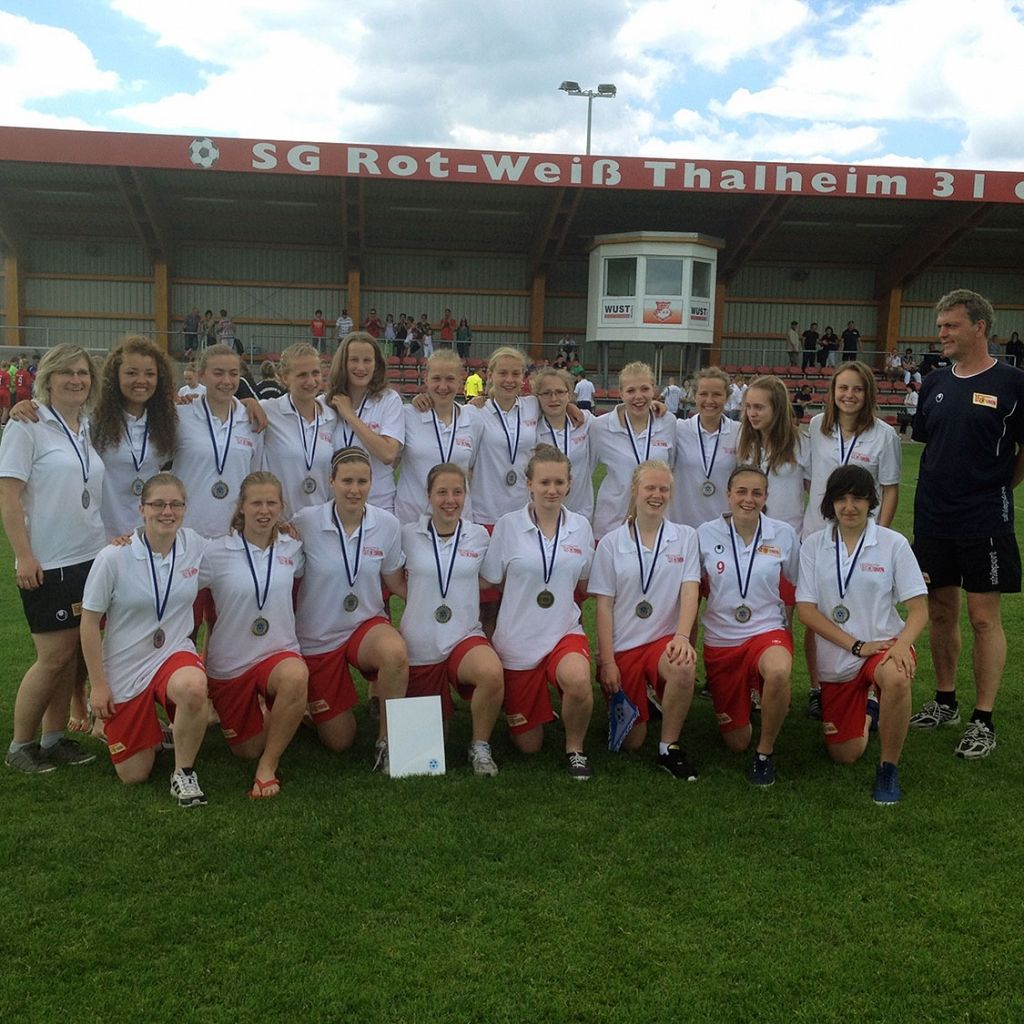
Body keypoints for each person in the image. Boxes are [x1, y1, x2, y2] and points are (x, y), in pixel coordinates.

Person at [909, 288, 1024, 759]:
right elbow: (928, 445)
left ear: (979, 326)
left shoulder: (1014, 383)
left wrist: (993, 489)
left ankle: (983, 718)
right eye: (940, 327)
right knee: (939, 610)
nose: (942, 335)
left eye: (950, 326)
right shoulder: (934, 381)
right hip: (934, 516)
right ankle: (944, 700)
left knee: (982, 617)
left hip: (984, 518)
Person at [0, 345, 105, 773]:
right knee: (53, 656)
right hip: (49, 560)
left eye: (82, 373)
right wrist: (24, 555)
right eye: (66, 373)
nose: (76, 380)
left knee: (74, 656)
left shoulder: (86, 426)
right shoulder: (27, 425)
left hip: (89, 556)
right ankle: (20, 745)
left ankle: (55, 737)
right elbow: (8, 494)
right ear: (48, 378)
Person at [797, 466, 928, 804]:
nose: (849, 506)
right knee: (845, 753)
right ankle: (870, 707)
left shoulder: (892, 543)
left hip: (884, 646)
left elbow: (919, 609)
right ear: (830, 503)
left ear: (871, 500)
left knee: (897, 677)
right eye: (841, 498)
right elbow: (807, 612)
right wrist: (856, 646)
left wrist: (901, 646)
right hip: (840, 655)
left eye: (857, 498)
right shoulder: (814, 545)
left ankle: (888, 768)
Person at [79, 473, 210, 805]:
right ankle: (149, 731)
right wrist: (98, 686)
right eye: (158, 504)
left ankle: (184, 773)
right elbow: (90, 622)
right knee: (134, 774)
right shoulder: (113, 557)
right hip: (125, 666)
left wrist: (280, 531)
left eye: (176, 504)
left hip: (172, 653)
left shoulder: (194, 544)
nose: (167, 511)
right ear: (142, 509)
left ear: (184, 508)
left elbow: (242, 547)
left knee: (194, 687)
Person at [481, 444, 595, 779]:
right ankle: (532, 708)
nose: (552, 490)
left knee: (577, 679)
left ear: (569, 484)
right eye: (544, 482)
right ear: (529, 484)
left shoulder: (581, 527)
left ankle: (575, 748)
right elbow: (492, 580)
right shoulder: (507, 526)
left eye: (559, 482)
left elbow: (585, 581)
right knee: (528, 746)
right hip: (517, 642)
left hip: (563, 631)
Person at [291, 447, 408, 770]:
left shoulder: (387, 524)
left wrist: (436, 601)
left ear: (372, 484)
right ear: (331, 482)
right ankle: (311, 709)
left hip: (364, 626)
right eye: (347, 481)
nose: (354, 489)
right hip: (318, 638)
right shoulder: (305, 522)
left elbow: (395, 581)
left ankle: (387, 740)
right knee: (340, 741)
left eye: (362, 481)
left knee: (395, 652)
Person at [199, 472, 308, 798]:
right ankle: (273, 713)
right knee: (247, 749)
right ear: (241, 507)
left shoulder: (294, 548)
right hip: (230, 666)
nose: (264, 510)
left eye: (271, 503)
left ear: (281, 506)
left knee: (295, 675)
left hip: (278, 654)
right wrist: (127, 541)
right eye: (256, 503)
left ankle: (268, 767)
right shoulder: (214, 553)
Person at [802, 361, 902, 716]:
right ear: (832, 393)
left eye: (857, 389)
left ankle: (871, 691)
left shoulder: (883, 434)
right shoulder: (816, 427)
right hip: (818, 536)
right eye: (842, 388)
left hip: (863, 537)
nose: (849, 395)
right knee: (816, 614)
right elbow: (807, 479)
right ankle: (818, 687)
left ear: (868, 394)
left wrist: (882, 536)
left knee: (868, 613)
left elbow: (889, 489)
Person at [590, 461, 700, 777]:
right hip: (623, 649)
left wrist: (681, 637)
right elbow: (603, 608)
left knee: (682, 666)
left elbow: (690, 592)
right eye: (650, 488)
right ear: (635, 490)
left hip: (661, 643)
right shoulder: (611, 542)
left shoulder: (685, 537)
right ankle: (642, 700)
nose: (657, 495)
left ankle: (669, 747)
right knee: (632, 742)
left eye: (663, 489)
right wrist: (608, 661)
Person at [396, 463, 504, 775]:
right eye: (442, 492)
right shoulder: (407, 535)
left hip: (464, 636)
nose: (450, 499)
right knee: (423, 758)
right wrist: (421, 598)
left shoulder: (478, 536)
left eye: (458, 492)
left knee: (491, 672)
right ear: (428, 495)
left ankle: (480, 746)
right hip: (419, 644)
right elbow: (393, 579)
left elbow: (488, 579)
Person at [698, 465, 799, 785]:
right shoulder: (703, 534)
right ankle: (747, 703)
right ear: (728, 494)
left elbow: (803, 584)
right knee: (736, 741)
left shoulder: (782, 533)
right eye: (741, 491)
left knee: (779, 671)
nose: (748, 499)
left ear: (766, 497)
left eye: (757, 493)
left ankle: (765, 753)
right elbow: (687, 589)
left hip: (766, 630)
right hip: (722, 640)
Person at [172, 344, 263, 539]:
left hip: (234, 535)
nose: (227, 381)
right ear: (202, 375)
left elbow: (254, 477)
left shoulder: (252, 420)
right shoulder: (181, 416)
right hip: (186, 533)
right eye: (218, 373)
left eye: (233, 373)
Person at [590, 361, 675, 540]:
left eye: (644, 389)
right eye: (630, 391)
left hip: (656, 523)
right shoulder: (600, 426)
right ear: (621, 393)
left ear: (654, 390)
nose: (638, 396)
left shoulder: (668, 423)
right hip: (611, 523)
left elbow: (671, 467)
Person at [395, 349, 480, 524]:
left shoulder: (473, 418)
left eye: (450, 379)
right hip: (412, 519)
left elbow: (473, 466)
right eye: (436, 379)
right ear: (426, 379)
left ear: (460, 381)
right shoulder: (407, 415)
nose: (443, 386)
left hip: (458, 519)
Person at [326, 331, 404, 514]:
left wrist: (350, 415)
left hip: (379, 504)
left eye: (367, 360)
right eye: (354, 360)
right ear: (343, 363)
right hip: (335, 506)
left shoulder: (389, 400)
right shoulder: (325, 403)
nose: (360, 367)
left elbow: (387, 453)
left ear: (376, 365)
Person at [258, 342, 338, 513]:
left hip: (320, 523)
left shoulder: (332, 417)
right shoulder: (268, 411)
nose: (311, 381)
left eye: (315, 373)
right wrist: (248, 402)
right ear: (285, 377)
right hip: (280, 524)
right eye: (302, 375)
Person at [737, 375, 809, 537]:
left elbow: (813, 490)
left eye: (759, 407)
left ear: (777, 408)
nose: (752, 413)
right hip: (749, 535)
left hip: (788, 535)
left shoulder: (802, 443)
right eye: (748, 407)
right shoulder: (742, 439)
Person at [670, 367, 739, 530]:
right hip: (682, 525)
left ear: (727, 397)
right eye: (703, 394)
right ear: (694, 396)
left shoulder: (739, 431)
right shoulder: (677, 428)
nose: (709, 400)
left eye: (716, 394)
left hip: (723, 528)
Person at [534, 366, 593, 517]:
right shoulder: (530, 430)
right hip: (541, 517)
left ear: (569, 394)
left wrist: (652, 405)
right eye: (546, 393)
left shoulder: (586, 422)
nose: (554, 398)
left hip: (580, 515)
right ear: (537, 396)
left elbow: (620, 419)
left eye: (560, 392)